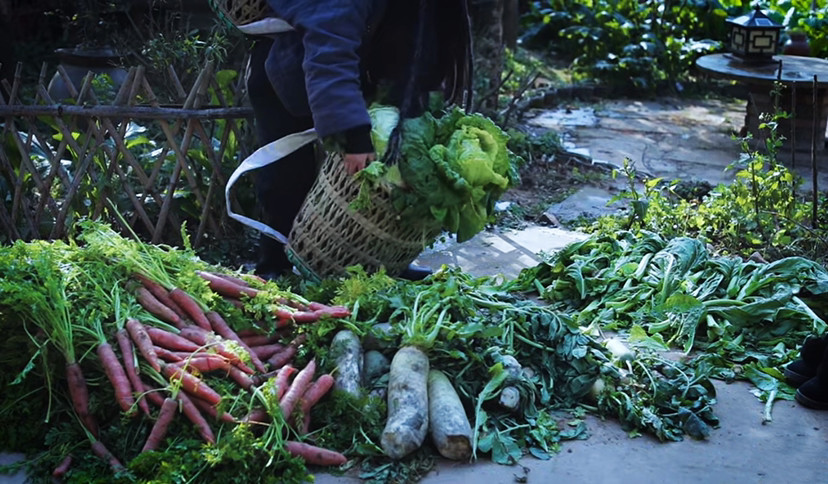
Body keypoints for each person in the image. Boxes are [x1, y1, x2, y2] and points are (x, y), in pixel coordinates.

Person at [244, 0, 473, 280]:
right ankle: (274, 264)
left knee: (391, 167)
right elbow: (329, 53)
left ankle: (382, 263)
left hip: (357, 61)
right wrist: (352, 136)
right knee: (285, 176)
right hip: (290, 66)